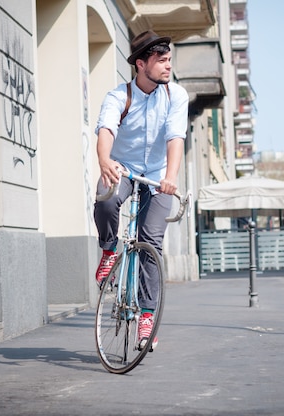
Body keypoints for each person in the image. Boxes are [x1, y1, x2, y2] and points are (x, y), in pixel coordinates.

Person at [93, 30, 189, 351]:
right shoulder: (119, 97)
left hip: (159, 177)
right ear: (140, 64)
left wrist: (171, 177)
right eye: (161, 61)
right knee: (105, 200)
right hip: (124, 168)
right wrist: (105, 160)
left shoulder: (176, 96)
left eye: (169, 60)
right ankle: (109, 250)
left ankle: (147, 316)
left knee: (151, 242)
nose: (167, 66)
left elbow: (176, 137)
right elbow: (106, 129)